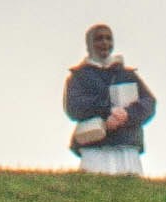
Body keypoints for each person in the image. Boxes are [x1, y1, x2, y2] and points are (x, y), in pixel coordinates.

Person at [61, 22, 154, 173]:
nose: (105, 42)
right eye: (99, 39)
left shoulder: (127, 74)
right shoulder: (79, 76)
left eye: (108, 38)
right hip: (95, 147)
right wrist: (108, 111)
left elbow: (149, 103)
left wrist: (127, 114)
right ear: (89, 44)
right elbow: (74, 106)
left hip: (126, 147)